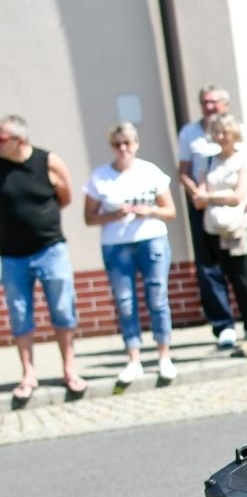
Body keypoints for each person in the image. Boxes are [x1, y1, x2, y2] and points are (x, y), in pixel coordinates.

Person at [83, 122, 178, 385]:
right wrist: (114, 214)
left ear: (136, 144)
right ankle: (134, 358)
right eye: (117, 144)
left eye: (127, 143)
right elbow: (89, 218)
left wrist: (149, 211)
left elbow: (170, 211)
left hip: (151, 239)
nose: (123, 148)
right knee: (125, 302)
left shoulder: (150, 172)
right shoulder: (100, 176)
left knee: (157, 297)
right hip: (116, 244)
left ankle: (164, 356)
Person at [0, 113, 85, 403]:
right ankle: (28, 374)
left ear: (19, 140)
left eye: (1, 139)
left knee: (62, 309)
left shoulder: (47, 161)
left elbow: (65, 195)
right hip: (11, 255)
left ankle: (70, 369)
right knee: (20, 314)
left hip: (50, 249)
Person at [178, 85, 247, 347]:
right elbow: (188, 173)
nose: (209, 107)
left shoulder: (242, 146)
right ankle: (225, 326)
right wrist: (199, 195)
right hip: (210, 218)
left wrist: (237, 196)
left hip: (239, 218)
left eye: (214, 102)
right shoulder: (194, 139)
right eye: (204, 102)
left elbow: (246, 182)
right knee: (213, 272)